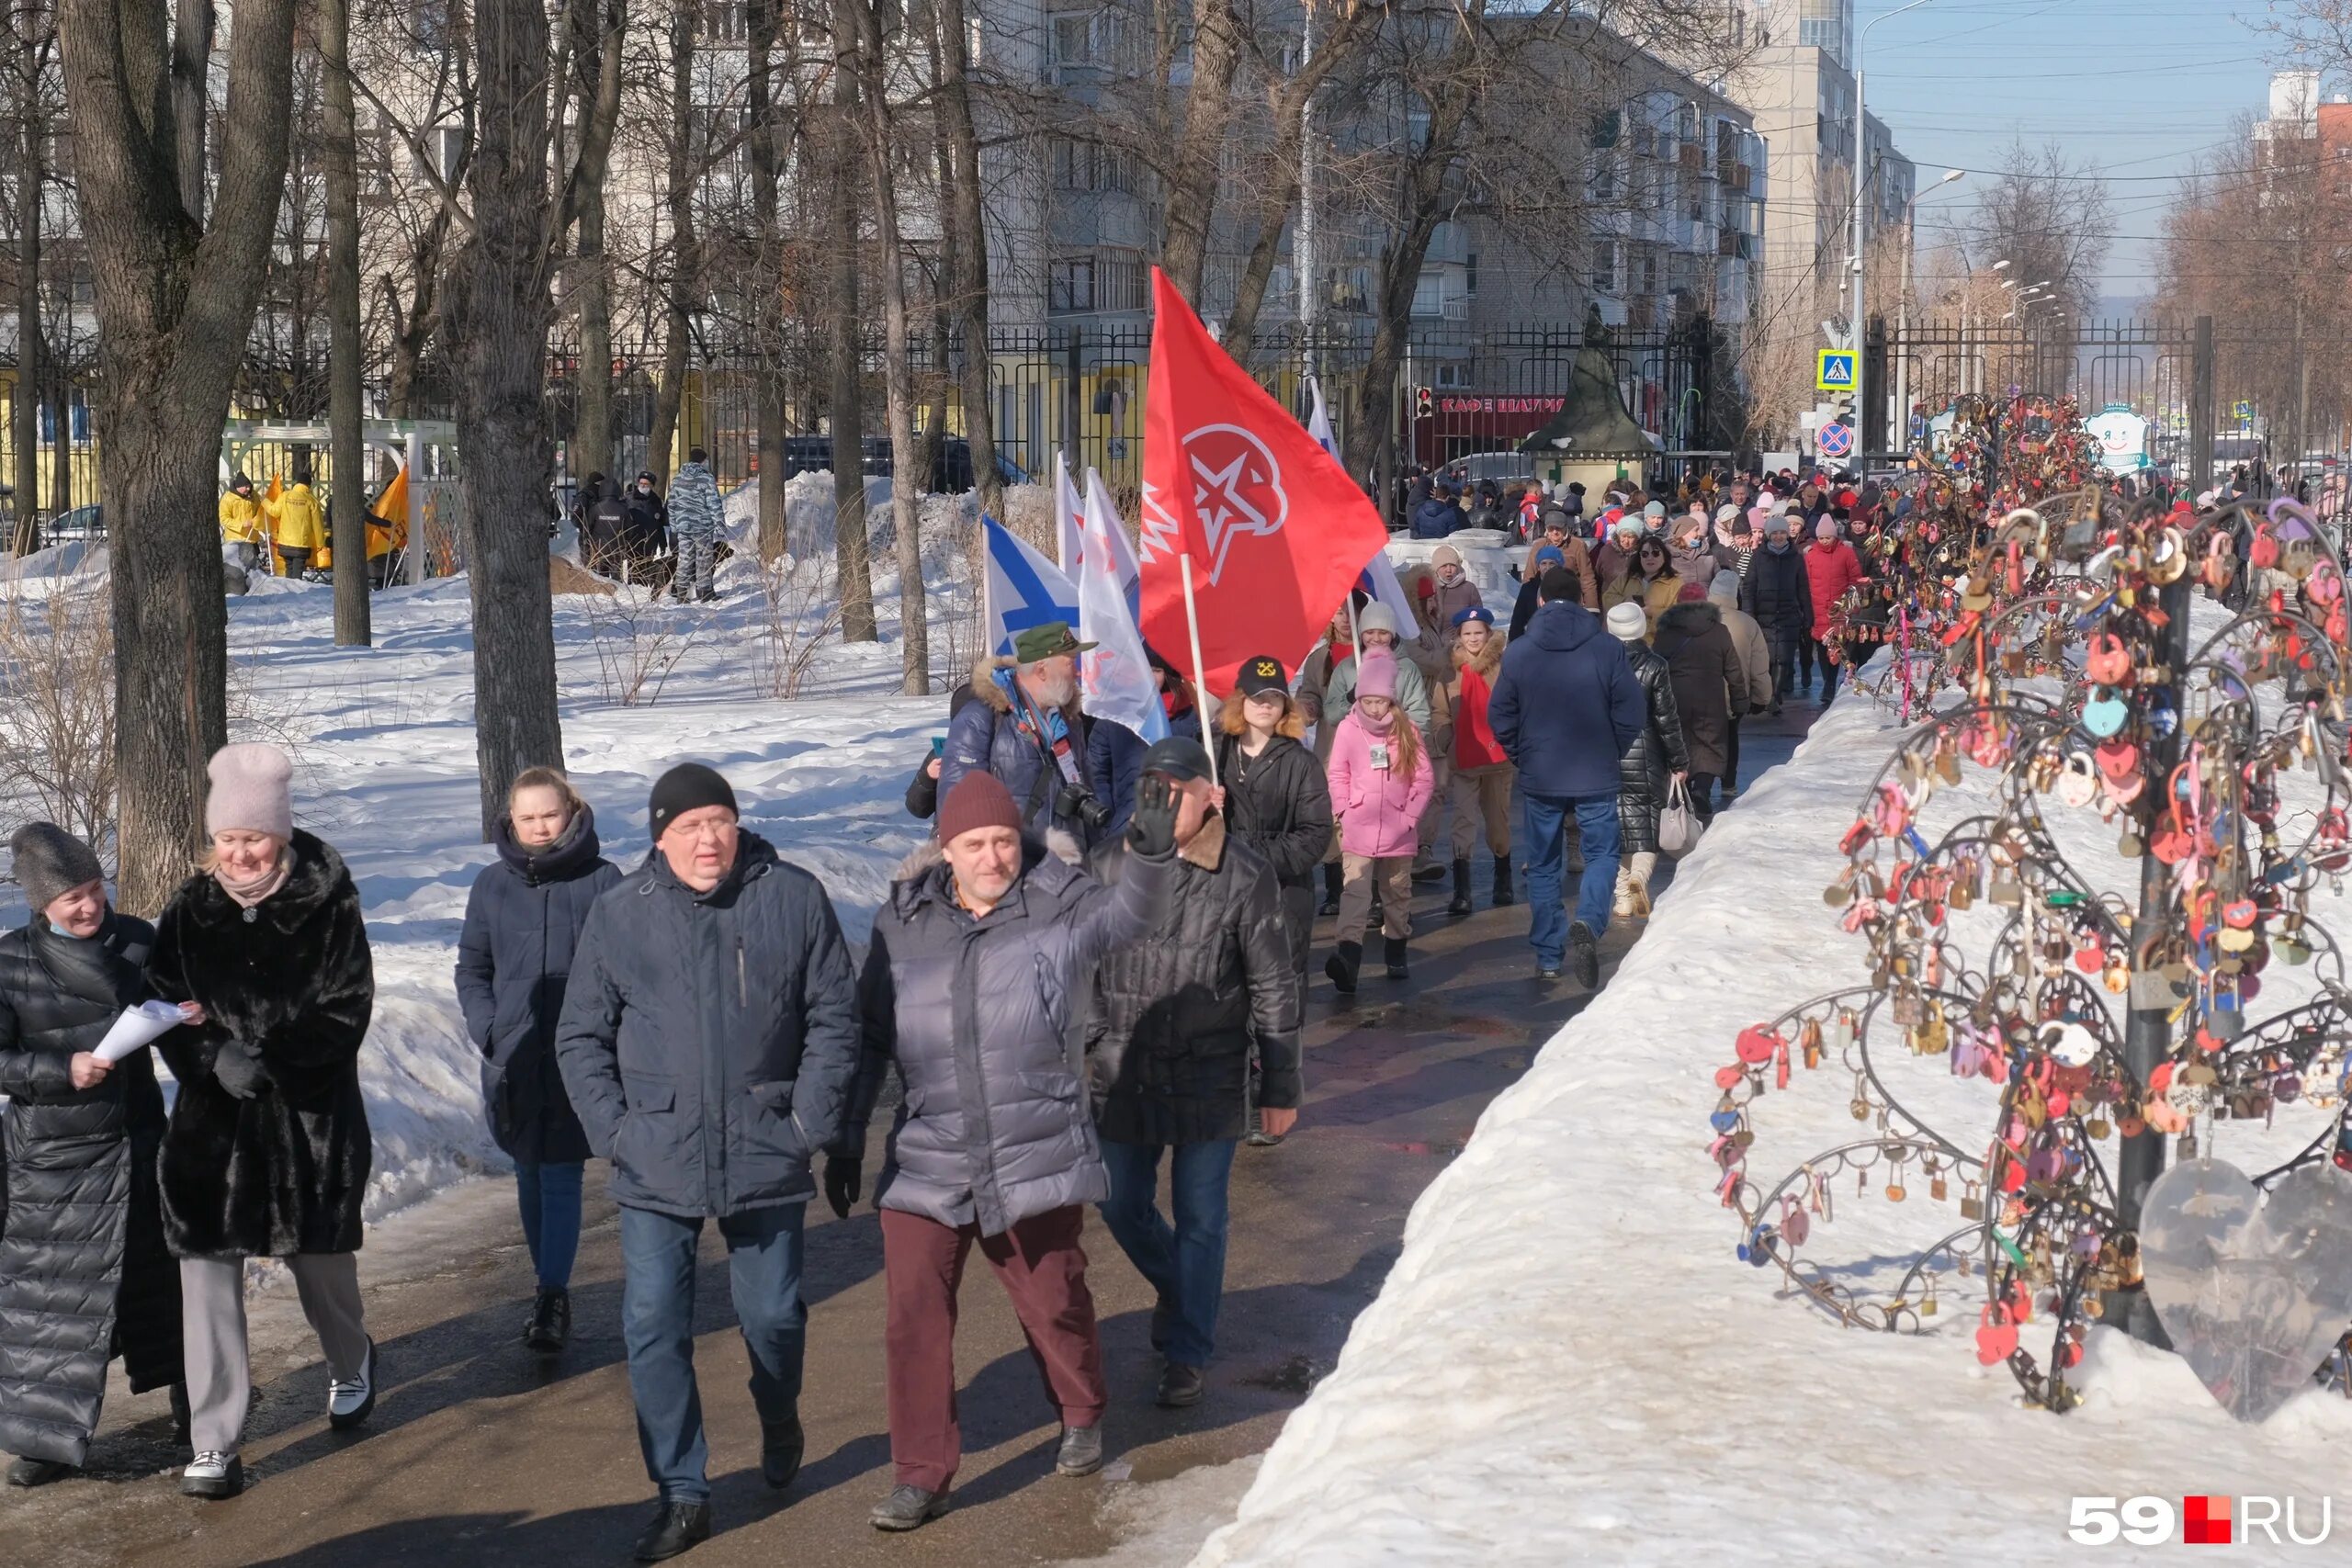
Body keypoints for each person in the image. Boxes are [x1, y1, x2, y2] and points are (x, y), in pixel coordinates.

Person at [830, 770, 1177, 1532]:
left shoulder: (1062, 903)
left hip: (1033, 1144)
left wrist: (1149, 858)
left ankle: (1082, 1409)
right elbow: (871, 1035)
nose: (993, 856)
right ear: (945, 849)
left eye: (1001, 840)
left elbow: (1130, 918)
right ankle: (922, 1472)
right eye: (974, 843)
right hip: (929, 1152)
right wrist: (849, 1133)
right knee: (913, 1315)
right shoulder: (903, 922)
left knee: (1054, 1299)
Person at [555, 762, 860, 1562]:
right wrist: (615, 1131)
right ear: (660, 835)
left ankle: (779, 1408)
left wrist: (806, 1122)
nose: (708, 838)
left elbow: (835, 1014)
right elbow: (579, 1033)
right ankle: (683, 1491)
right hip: (656, 1152)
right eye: (690, 825)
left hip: (767, 1142)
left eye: (720, 820)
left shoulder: (792, 897)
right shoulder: (622, 913)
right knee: (653, 1322)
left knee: (774, 1317)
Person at [148, 743, 376, 1502]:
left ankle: (351, 1361)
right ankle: (215, 1441)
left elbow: (346, 1009)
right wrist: (210, 1056)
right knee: (208, 1280)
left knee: (323, 1274)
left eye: (253, 837)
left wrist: (271, 1058)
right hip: (212, 1134)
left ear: (278, 833)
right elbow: (162, 1005)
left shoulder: (328, 899)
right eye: (227, 838)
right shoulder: (189, 908)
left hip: (308, 1126)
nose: (239, 853)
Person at [1085, 738, 1300, 1408]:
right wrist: (1088, 1043)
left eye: (1178, 787)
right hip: (1125, 1066)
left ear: (1213, 796)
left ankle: (1187, 1349)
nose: (1164, 797)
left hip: (1210, 1071)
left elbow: (1273, 983)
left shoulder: (1244, 873)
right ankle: (1183, 1288)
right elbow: (1074, 962)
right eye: (1153, 784)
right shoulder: (1107, 865)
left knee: (1203, 1215)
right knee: (1119, 1200)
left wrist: (1281, 1085)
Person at [0, 824, 187, 1487]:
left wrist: (187, 1019)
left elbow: (175, 1013)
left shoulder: (136, 939)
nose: (88, 905)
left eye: (93, 887)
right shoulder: (10, 959)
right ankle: (45, 1441)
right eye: (72, 896)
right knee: (51, 1301)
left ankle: (196, 1410)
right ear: (40, 903)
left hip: (136, 1143)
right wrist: (59, 1068)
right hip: (52, 1160)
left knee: (162, 1283)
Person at [455, 768, 622, 1357]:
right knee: (528, 1167)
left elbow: (624, 968)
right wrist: (489, 1028)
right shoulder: (490, 886)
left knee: (561, 1173)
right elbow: (472, 968)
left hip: (580, 1054)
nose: (538, 827)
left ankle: (552, 1294)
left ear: (571, 811)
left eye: (548, 815)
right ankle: (547, 1283)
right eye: (526, 818)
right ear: (510, 821)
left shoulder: (604, 880)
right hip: (516, 1053)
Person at [1487, 567, 1644, 987]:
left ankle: (1549, 956)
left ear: (1540, 600)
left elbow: (1500, 715)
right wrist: (1611, 749)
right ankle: (1590, 924)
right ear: (1581, 601)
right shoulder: (1607, 648)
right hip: (1594, 769)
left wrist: (1522, 754)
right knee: (1602, 855)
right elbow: (1631, 711)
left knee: (1542, 866)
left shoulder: (1519, 651)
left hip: (1541, 772)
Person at [1213, 654, 1333, 1082]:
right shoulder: (1216, 754)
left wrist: (1250, 853)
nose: (1266, 705)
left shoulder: (1300, 763)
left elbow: (1315, 834)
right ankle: (1240, 1083)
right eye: (1257, 696)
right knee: (1229, 988)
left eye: (1275, 697)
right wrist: (1206, 812)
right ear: (1240, 700)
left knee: (1278, 991)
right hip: (1224, 895)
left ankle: (1275, 1085)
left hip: (1282, 896)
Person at [944, 621, 1113, 849]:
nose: (1077, 671)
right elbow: (957, 806)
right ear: (1042, 670)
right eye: (1069, 662)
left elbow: (1086, 792)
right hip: (1009, 867)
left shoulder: (1070, 723)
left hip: (1065, 870)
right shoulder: (982, 719)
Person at [1323, 649, 1433, 994]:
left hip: (1400, 829)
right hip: (1358, 824)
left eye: (1380, 701)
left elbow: (1424, 778)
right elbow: (1337, 772)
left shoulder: (1407, 730)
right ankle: (1348, 961)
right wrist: (1343, 808)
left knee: (1396, 892)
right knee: (1355, 891)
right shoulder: (1347, 729)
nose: (1374, 708)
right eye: (1367, 700)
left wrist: (1410, 816)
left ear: (1391, 700)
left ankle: (1396, 951)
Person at [1603, 601, 1690, 920]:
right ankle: (1641, 877)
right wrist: (1679, 760)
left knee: (1617, 826)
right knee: (1648, 825)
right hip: (1649, 753)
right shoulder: (1655, 665)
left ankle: (1622, 897)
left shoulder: (1599, 664)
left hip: (1608, 754)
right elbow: (1667, 718)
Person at [1652, 581, 1748, 821]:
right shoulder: (1718, 631)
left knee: (1680, 742)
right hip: (1710, 697)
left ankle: (1683, 790)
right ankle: (1702, 789)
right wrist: (1740, 700)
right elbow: (1733, 669)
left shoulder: (1666, 631)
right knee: (1709, 742)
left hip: (1675, 696)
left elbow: (1655, 665)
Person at [1441, 607, 1513, 915]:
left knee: (1498, 820)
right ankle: (1463, 889)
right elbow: (1439, 710)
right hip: (1464, 759)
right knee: (1463, 820)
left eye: (1478, 633)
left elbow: (1514, 703)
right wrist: (1446, 740)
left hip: (1498, 758)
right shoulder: (1450, 670)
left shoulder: (1503, 664)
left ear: (1488, 634)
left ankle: (1503, 878)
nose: (1473, 639)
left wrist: (1512, 738)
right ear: (1459, 637)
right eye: (1467, 634)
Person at [1086, 648, 1203, 835]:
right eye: (1144, 669)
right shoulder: (1113, 716)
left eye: (1157, 670)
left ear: (1167, 674)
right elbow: (1096, 775)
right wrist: (1106, 823)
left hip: (1178, 827)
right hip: (1127, 828)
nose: (1149, 677)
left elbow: (1201, 770)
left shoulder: (1188, 715)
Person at [1740, 514, 1813, 716]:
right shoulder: (1758, 557)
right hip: (1764, 615)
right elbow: (1749, 587)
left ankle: (1774, 696)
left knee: (1784, 658)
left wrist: (1808, 614)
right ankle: (1766, 694)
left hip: (1788, 614)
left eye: (1782, 533)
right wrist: (1749, 613)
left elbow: (1803, 588)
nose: (1779, 537)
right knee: (1768, 659)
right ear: (1768, 535)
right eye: (1775, 533)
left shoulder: (1796, 557)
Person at [1708, 569, 1771, 798]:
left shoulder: (1697, 618)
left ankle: (1700, 786)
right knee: (1730, 737)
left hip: (1699, 694)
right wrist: (1761, 698)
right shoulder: (1747, 623)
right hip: (1734, 696)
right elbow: (1759, 666)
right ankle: (1729, 783)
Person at [1803, 515, 1866, 703]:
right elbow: (1805, 581)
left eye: (1827, 538)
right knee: (1822, 648)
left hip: (1840, 607)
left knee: (1838, 645)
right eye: (1821, 538)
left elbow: (1855, 578)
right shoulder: (1811, 554)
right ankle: (1827, 681)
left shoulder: (1846, 553)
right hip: (1818, 608)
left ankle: (1831, 683)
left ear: (1834, 536)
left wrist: (1852, 601)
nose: (1824, 541)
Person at [667, 447, 724, 604]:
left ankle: (681, 593)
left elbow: (671, 505)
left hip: (683, 527)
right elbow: (714, 504)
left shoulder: (677, 479)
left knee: (684, 559)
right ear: (702, 461)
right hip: (703, 527)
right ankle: (705, 591)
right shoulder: (706, 479)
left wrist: (674, 527)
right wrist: (720, 525)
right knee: (704, 559)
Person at [1417, 544, 1485, 643]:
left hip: (1460, 647)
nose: (1448, 570)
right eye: (1444, 566)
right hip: (1430, 646)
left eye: (1452, 565)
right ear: (1436, 568)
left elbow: (1479, 621)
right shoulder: (1427, 588)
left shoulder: (1469, 589)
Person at [264, 476, 325, 580]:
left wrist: (265, 501)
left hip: (285, 542)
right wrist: (320, 543)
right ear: (308, 486)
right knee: (298, 571)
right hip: (302, 544)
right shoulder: (312, 500)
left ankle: (289, 591)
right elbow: (318, 524)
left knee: (289, 568)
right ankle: (297, 593)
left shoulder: (285, 496)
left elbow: (274, 511)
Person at [624, 471, 671, 586]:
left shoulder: (656, 501)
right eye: (641, 483)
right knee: (634, 569)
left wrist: (663, 543)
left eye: (646, 484)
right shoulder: (628, 499)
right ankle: (634, 588)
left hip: (650, 541)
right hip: (633, 541)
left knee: (647, 569)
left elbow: (659, 524)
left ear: (652, 486)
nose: (643, 486)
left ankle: (644, 589)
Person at [1632, 535, 1683, 633]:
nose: (1650, 558)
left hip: (1657, 641)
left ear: (1664, 557)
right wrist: (1626, 603)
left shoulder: (1676, 583)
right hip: (1626, 639)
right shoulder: (1627, 577)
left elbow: (1679, 614)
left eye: (1655, 553)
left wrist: (1653, 612)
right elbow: (1608, 597)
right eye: (1645, 554)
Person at [218, 475, 267, 575]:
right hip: (236, 541)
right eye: (246, 487)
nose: (248, 489)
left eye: (249, 486)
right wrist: (241, 525)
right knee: (240, 570)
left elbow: (260, 511)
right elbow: (224, 519)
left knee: (255, 570)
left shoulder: (254, 496)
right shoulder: (228, 499)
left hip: (252, 539)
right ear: (238, 487)